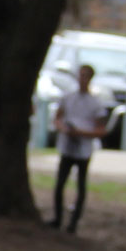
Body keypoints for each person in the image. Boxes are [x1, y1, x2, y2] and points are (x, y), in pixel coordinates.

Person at [48, 64, 110, 233]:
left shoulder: (95, 102)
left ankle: (73, 223)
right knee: (60, 183)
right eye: (80, 75)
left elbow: (100, 130)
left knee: (80, 185)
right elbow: (58, 118)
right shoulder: (68, 97)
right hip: (67, 147)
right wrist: (64, 129)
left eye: (85, 76)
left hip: (83, 150)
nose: (82, 79)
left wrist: (80, 132)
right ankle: (58, 218)